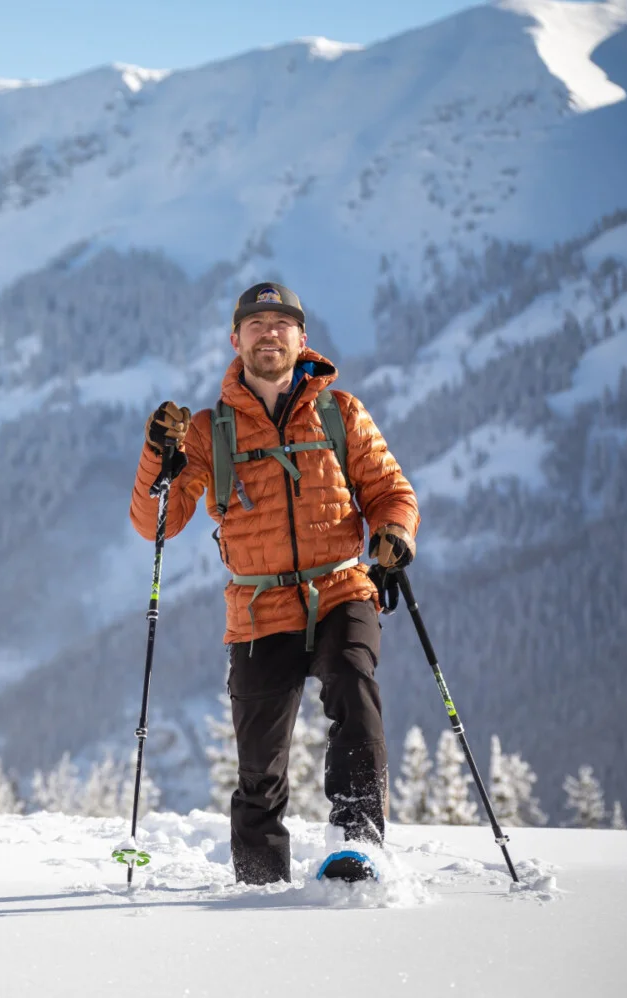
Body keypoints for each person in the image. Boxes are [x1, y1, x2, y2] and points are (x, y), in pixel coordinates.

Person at [129, 281, 419, 885]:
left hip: (341, 588)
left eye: (282, 322)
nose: (269, 332)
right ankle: (260, 884)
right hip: (259, 607)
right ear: (236, 340)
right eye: (256, 323)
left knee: (353, 686)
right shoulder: (210, 432)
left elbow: (391, 491)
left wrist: (394, 534)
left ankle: (358, 844)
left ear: (302, 338)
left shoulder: (341, 414)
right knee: (260, 767)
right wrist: (160, 458)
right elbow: (157, 523)